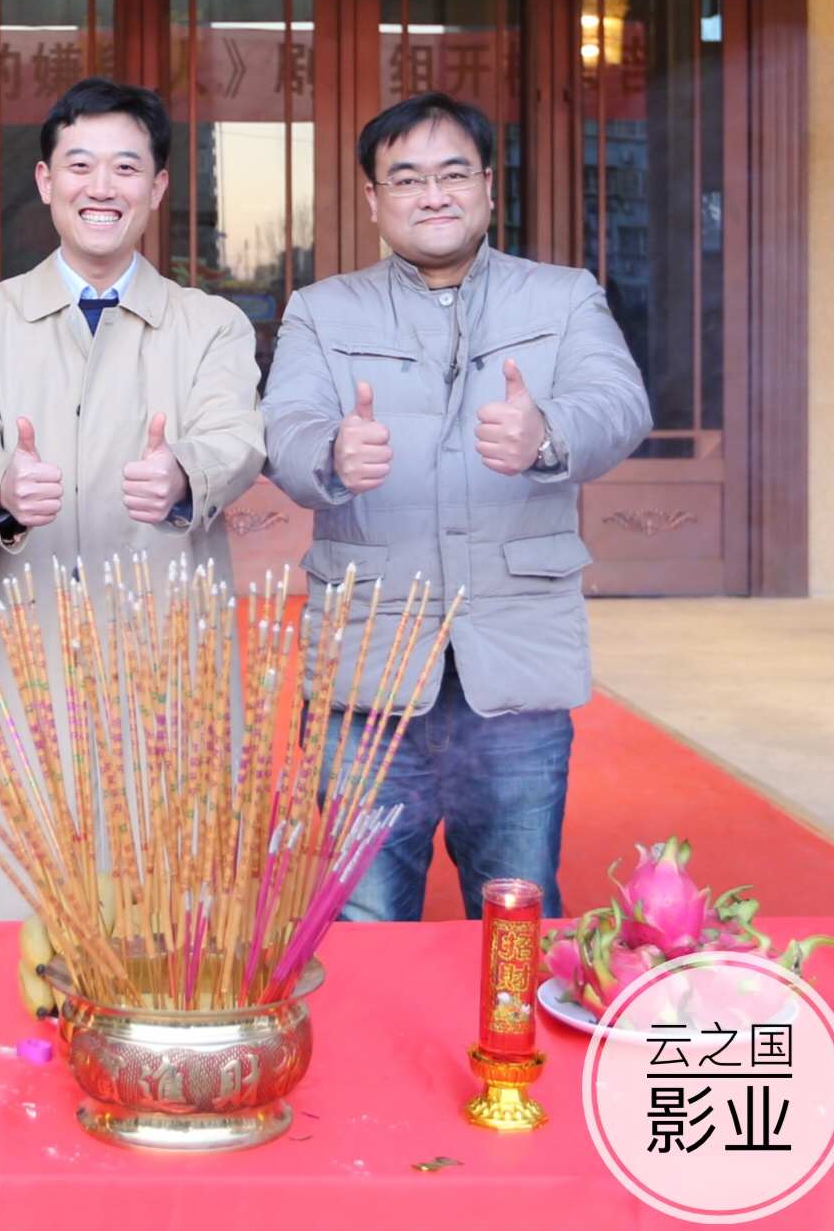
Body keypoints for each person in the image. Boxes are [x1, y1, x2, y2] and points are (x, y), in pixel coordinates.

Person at [262, 92, 651, 923]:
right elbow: (283, 425)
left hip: (513, 668)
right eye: (406, 178)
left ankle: (509, 1020)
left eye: (452, 174)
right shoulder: (321, 310)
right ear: (372, 197)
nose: (432, 194)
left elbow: (618, 403)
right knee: (360, 916)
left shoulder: (563, 296)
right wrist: (329, 451)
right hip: (367, 673)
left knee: (516, 910)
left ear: (486, 187)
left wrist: (547, 432)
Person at [0, 76, 266, 919]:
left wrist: (184, 472)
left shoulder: (209, 324)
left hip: (169, 641)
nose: (100, 186)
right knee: (22, 882)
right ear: (45, 180)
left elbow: (235, 435)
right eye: (79, 165)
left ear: (156, 186)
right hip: (28, 634)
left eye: (125, 166)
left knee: (171, 887)